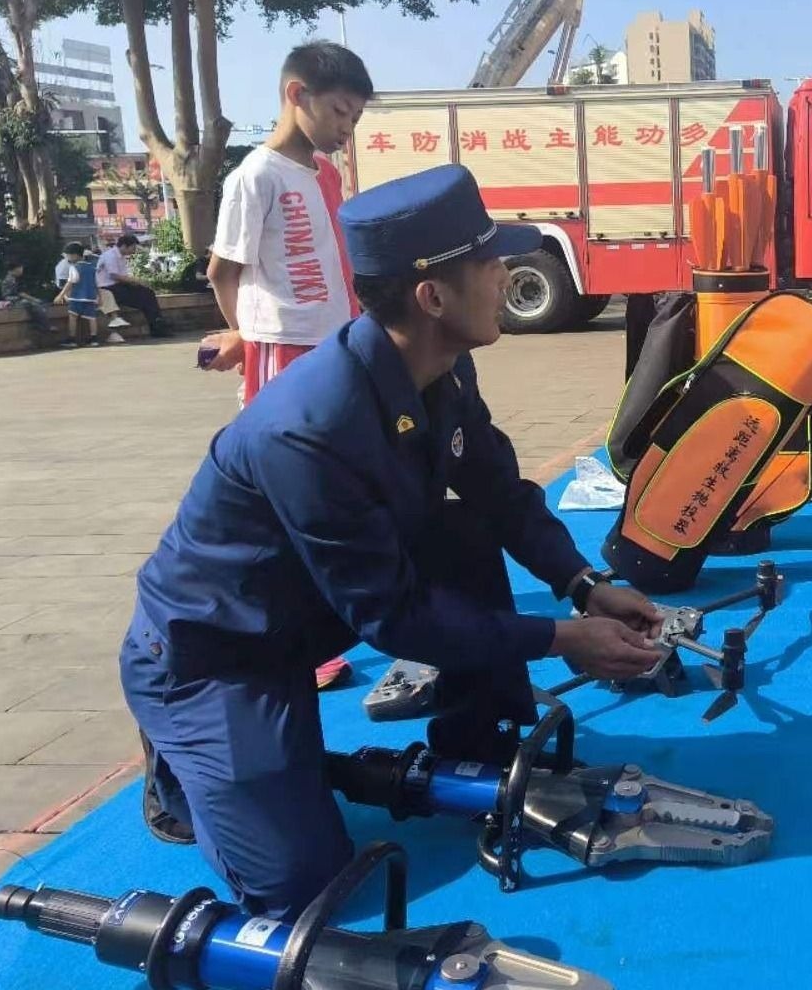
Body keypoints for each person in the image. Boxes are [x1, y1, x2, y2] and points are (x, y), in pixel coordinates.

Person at [121, 164, 666, 918]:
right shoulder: (308, 429)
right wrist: (561, 638)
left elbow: (500, 492)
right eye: (490, 263)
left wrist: (584, 586)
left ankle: (475, 736)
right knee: (301, 884)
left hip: (311, 605)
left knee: (460, 529)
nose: (505, 275)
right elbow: (393, 617)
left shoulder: (442, 365)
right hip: (214, 652)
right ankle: (179, 762)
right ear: (432, 297)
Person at [200, 40, 373, 690]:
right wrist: (243, 335)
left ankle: (330, 614)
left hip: (336, 345)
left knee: (336, 485)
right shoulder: (256, 176)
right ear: (296, 94)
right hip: (283, 348)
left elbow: (341, 261)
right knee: (285, 495)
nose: (345, 128)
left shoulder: (324, 175)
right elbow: (224, 270)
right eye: (339, 112)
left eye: (354, 118)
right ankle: (288, 636)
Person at [96, 234, 172, 336]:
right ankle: (157, 326)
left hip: (118, 286)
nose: (134, 251)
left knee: (148, 293)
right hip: (108, 288)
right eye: (133, 247)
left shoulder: (121, 257)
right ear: (124, 246)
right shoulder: (110, 256)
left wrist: (135, 283)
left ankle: (157, 324)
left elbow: (123, 276)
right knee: (143, 298)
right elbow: (114, 275)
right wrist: (136, 281)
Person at [54, 242, 104, 348]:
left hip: (76, 297)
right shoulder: (92, 268)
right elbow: (97, 283)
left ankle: (72, 339)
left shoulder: (74, 267)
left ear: (74, 255)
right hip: (90, 297)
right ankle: (94, 338)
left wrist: (61, 295)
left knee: (72, 316)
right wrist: (100, 297)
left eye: (68, 255)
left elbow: (70, 282)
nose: (67, 258)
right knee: (92, 317)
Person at [0, 264, 54, 338]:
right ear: (16, 269)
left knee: (35, 304)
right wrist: (34, 300)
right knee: (31, 304)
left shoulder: (12, 278)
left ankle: (39, 324)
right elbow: (20, 293)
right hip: (13, 301)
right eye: (21, 268)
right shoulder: (10, 279)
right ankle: (45, 326)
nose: (22, 270)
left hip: (14, 299)